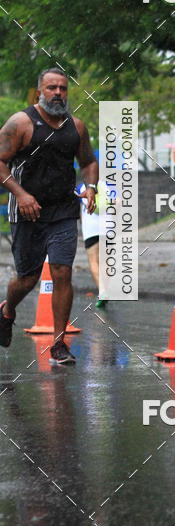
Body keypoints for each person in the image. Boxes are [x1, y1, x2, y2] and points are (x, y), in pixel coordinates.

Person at [0, 68, 98, 364]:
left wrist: (90, 187)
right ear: (39, 91)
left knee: (62, 272)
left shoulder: (76, 127)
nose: (58, 93)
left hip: (63, 211)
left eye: (63, 88)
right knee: (27, 279)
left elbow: (88, 161)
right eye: (51, 88)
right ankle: (7, 310)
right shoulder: (21, 123)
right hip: (28, 211)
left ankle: (59, 344)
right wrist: (21, 194)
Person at [75, 177, 107, 309]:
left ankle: (103, 291)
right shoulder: (109, 185)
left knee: (94, 260)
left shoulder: (80, 188)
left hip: (90, 228)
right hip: (107, 227)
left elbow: (77, 208)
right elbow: (119, 203)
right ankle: (106, 288)